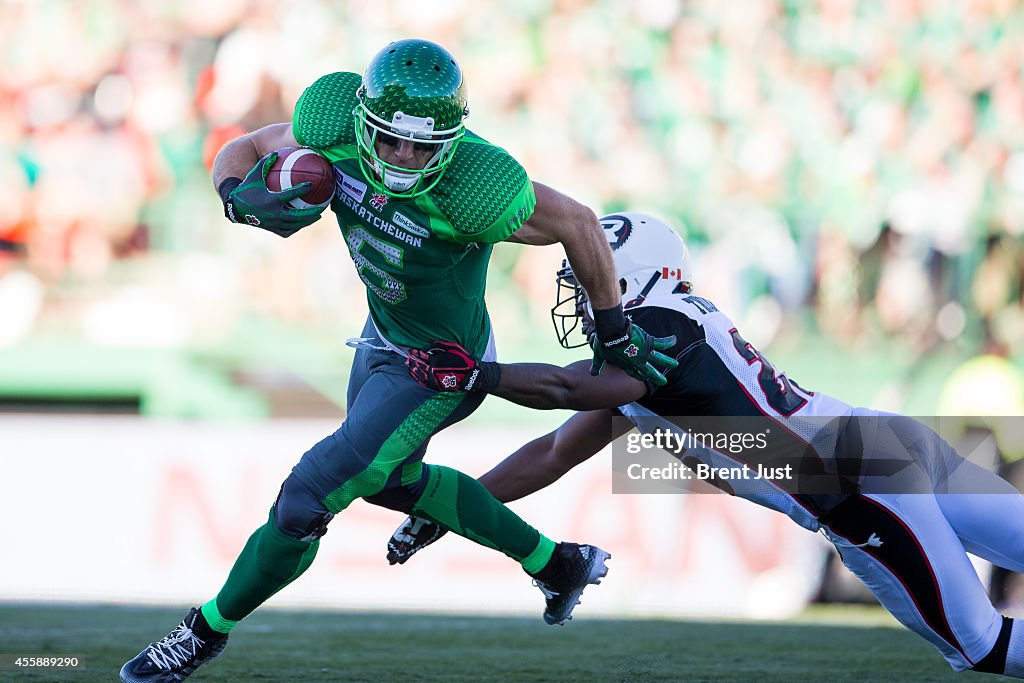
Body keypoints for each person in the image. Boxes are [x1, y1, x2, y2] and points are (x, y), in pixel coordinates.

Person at [120, 40, 678, 683]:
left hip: (441, 367)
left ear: (452, 140)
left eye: (425, 147)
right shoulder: (330, 132)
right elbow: (243, 150)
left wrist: (614, 329)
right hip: (383, 338)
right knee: (389, 479)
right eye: (391, 141)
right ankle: (556, 563)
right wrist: (235, 196)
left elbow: (579, 222)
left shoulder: (478, 187)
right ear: (362, 122)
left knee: (309, 494)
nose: (407, 158)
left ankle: (202, 632)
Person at [391, 211, 1024, 679]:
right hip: (881, 442)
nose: (582, 297)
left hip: (853, 483)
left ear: (628, 275)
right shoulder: (654, 341)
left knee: (984, 647)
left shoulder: (655, 332)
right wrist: (447, 511)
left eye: (588, 277)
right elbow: (553, 453)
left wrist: (480, 374)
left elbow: (562, 388)